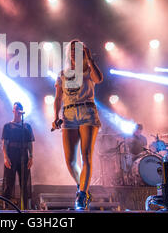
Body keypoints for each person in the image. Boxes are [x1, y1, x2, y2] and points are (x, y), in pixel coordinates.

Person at [53, 40, 103, 210]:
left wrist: (90, 60)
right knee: (69, 160)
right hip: (68, 114)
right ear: (69, 53)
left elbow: (99, 79)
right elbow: (58, 98)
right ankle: (82, 187)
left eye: (78, 49)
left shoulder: (89, 69)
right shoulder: (62, 74)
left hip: (87, 112)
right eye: (72, 50)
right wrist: (55, 116)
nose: (74, 52)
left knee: (86, 155)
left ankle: (81, 195)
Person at [2, 102, 34, 210]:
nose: (18, 111)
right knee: (9, 181)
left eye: (20, 109)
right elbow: (4, 143)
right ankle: (6, 206)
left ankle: (24, 207)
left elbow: (30, 143)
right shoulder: (7, 126)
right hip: (11, 154)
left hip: (23, 154)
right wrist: (6, 157)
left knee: (24, 182)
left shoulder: (27, 126)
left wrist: (31, 157)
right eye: (16, 108)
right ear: (13, 111)